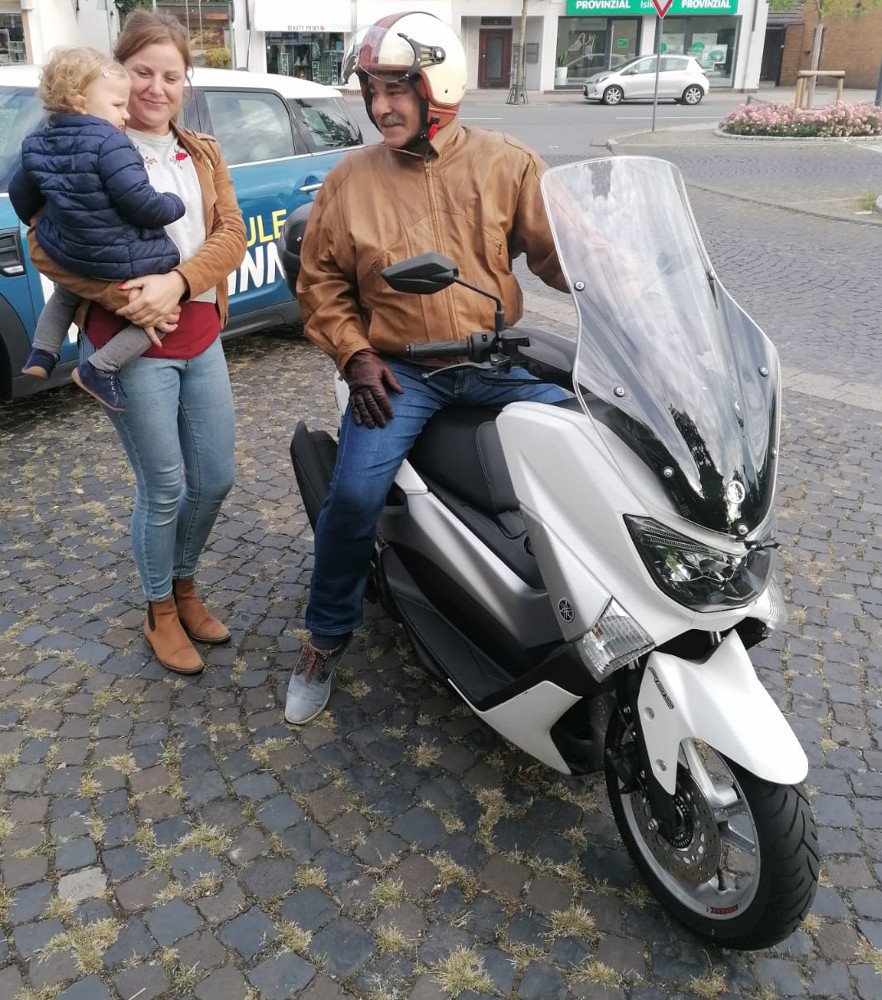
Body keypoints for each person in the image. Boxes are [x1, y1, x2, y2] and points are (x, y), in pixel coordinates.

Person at [286, 11, 569, 724]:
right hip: (401, 372)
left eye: (395, 89)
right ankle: (325, 637)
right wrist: (354, 355)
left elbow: (561, 256)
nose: (380, 106)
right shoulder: (350, 180)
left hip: (496, 357)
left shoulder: (508, 162)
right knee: (355, 497)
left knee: (605, 440)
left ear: (437, 87)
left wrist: (631, 284)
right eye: (372, 91)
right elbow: (319, 282)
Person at [27, 10, 246, 676]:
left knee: (216, 479)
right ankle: (159, 609)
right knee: (165, 486)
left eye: (170, 76)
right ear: (119, 72)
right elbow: (42, 245)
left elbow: (231, 235)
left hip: (200, 333)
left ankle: (184, 583)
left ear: (186, 83)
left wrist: (177, 282)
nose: (155, 88)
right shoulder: (86, 140)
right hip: (129, 343)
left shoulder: (202, 151)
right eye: (142, 72)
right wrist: (122, 297)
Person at [10, 46, 187, 411]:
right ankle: (100, 367)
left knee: (66, 293)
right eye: (118, 105)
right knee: (166, 308)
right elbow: (140, 203)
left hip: (70, 251)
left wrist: (39, 219)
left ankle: (42, 353)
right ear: (80, 102)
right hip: (121, 259)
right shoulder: (111, 142)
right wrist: (173, 204)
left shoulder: (35, 142)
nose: (126, 114)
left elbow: (20, 194)